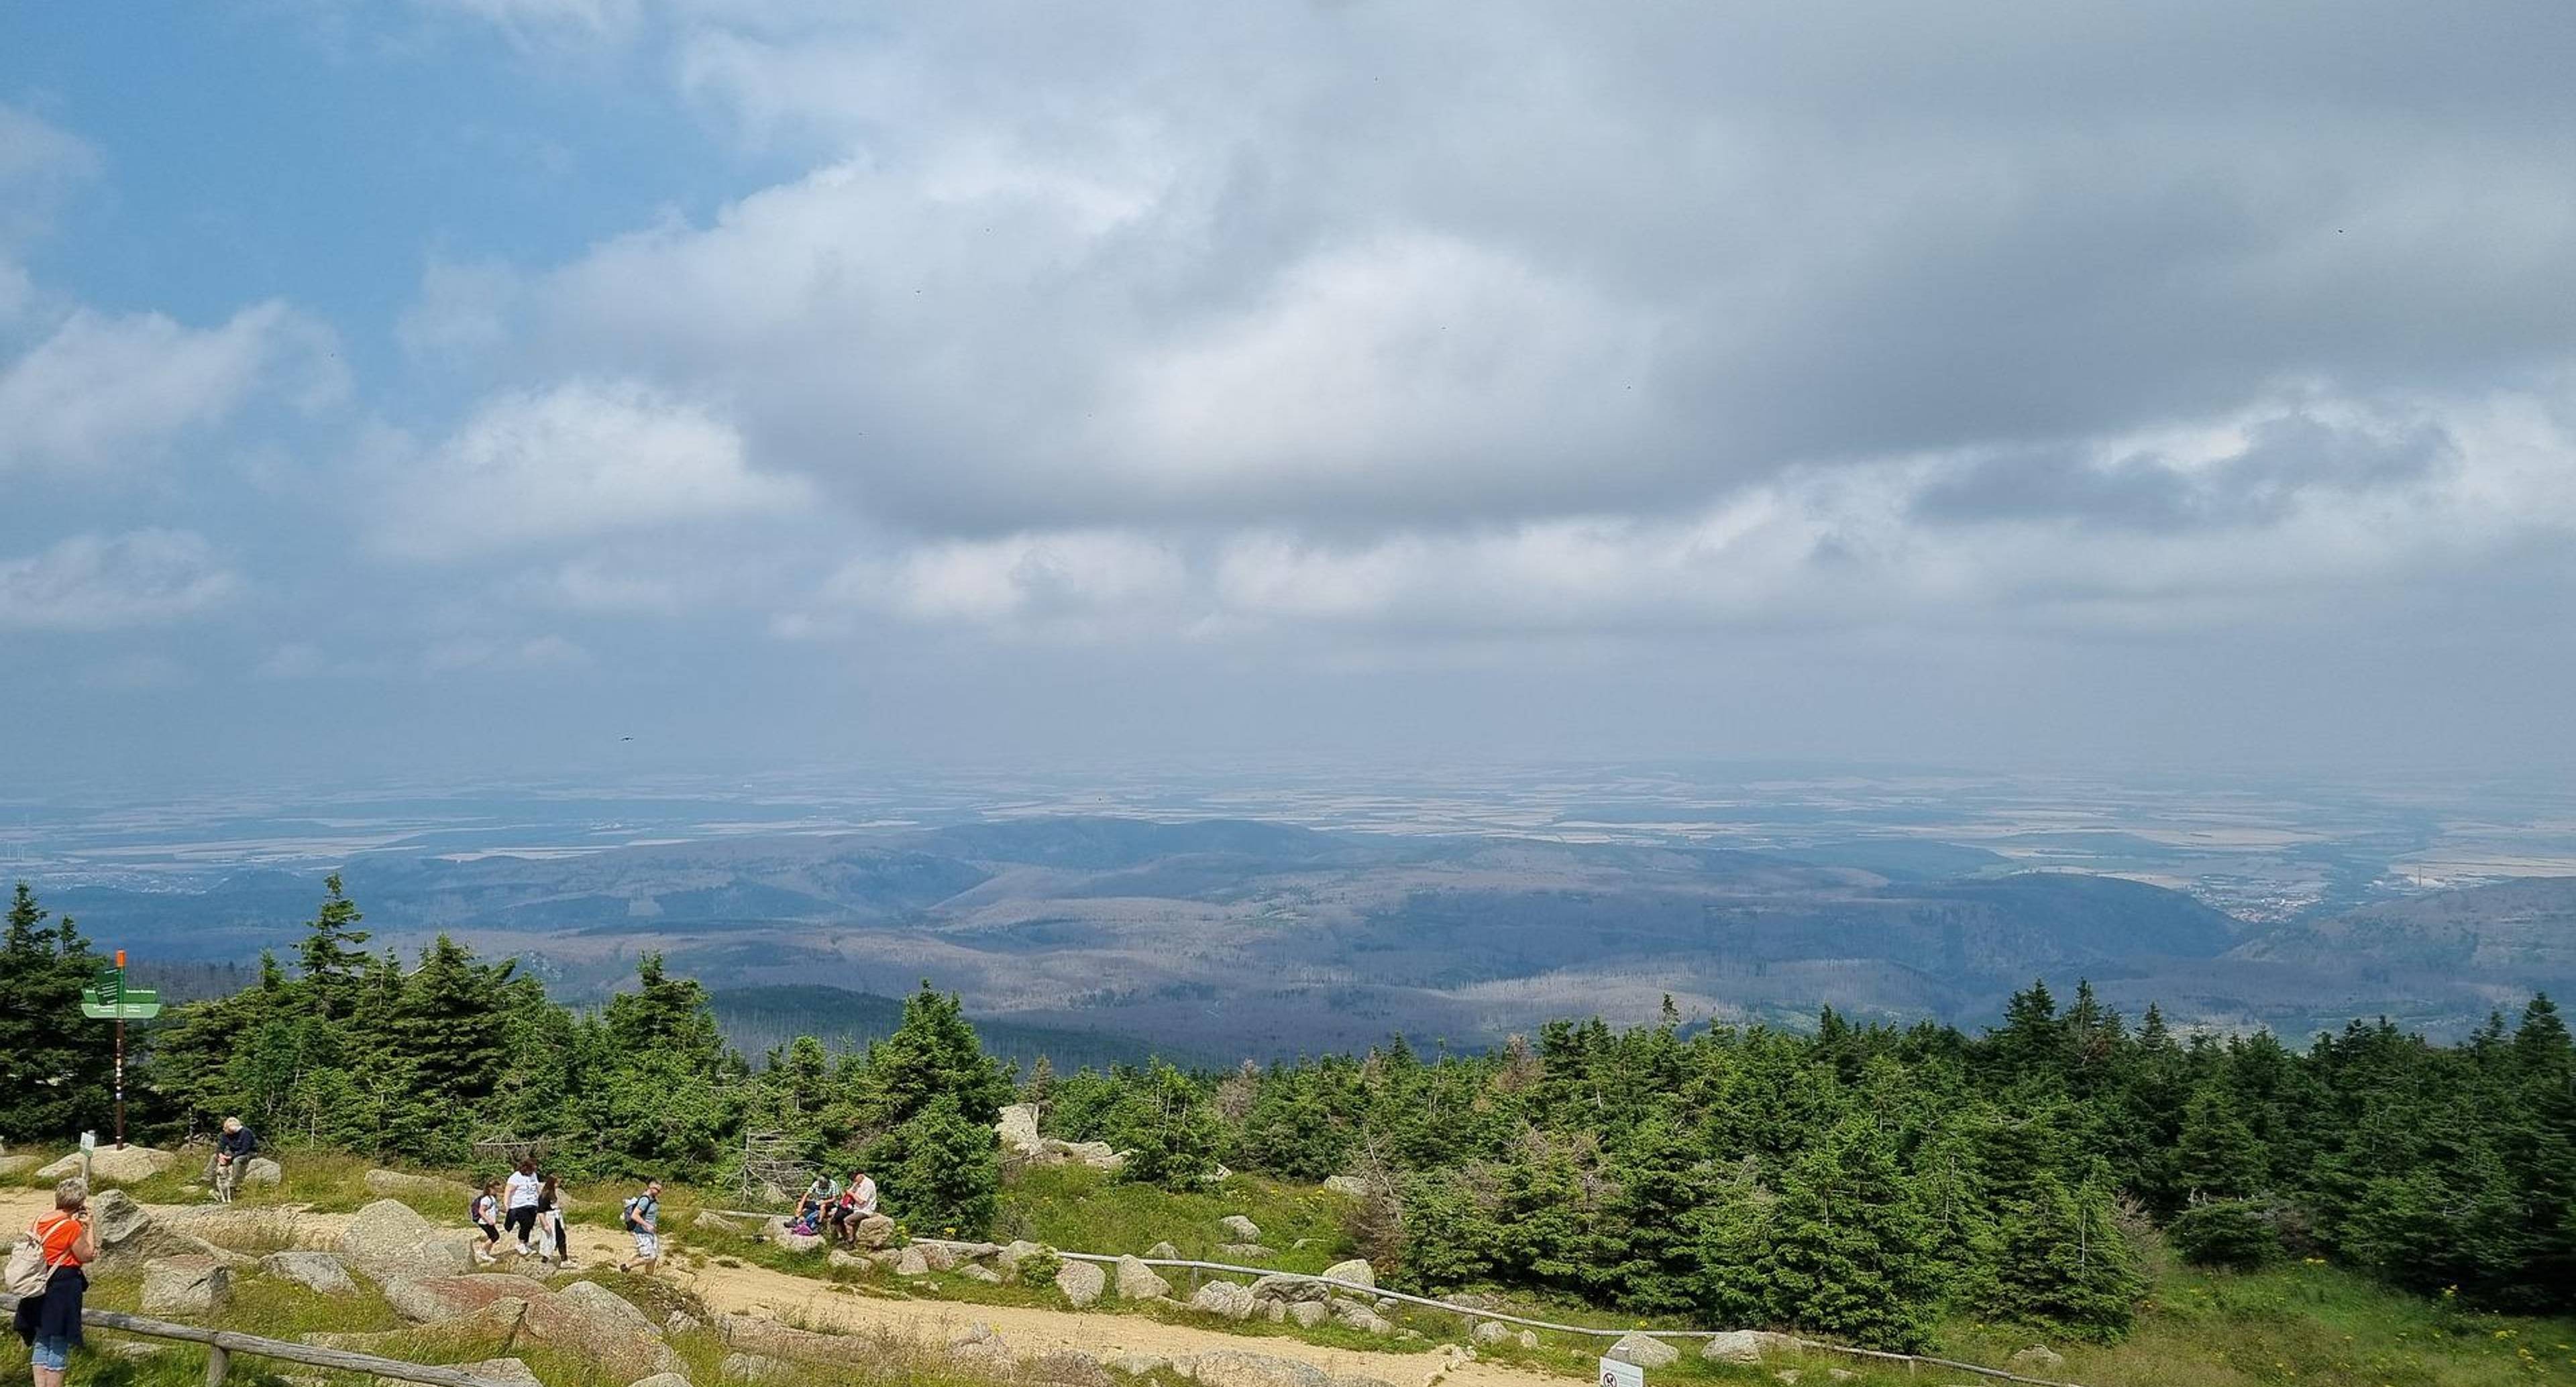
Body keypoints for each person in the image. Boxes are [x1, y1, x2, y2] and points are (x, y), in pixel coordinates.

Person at [13, 1181, 98, 1387]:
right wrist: (90, 1226)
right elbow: (86, 1255)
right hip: (62, 1286)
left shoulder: (40, 1220)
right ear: (80, 1203)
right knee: (59, 1342)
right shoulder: (71, 1227)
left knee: (41, 1339)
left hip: (38, 1282)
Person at [616, 1179, 662, 1277]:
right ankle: (626, 1267)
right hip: (642, 1232)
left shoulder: (653, 1199)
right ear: (651, 1187)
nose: (659, 1193)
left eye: (660, 1191)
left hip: (651, 1232)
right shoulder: (645, 1200)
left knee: (654, 1257)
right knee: (649, 1256)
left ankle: (650, 1277)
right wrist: (647, 1225)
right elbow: (635, 1215)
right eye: (657, 1190)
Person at [210, 1117, 257, 1203]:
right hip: (233, 1152)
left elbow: (245, 1149)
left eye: (226, 1128)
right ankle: (208, 1178)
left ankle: (234, 1184)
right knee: (214, 1157)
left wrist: (231, 1158)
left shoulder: (246, 1133)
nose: (225, 1130)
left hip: (248, 1153)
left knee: (237, 1161)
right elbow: (220, 1146)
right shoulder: (224, 1135)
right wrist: (220, 1155)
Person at [503, 1158, 543, 1256]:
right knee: (526, 1222)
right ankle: (520, 1243)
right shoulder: (516, 1177)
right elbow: (508, 1190)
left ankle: (526, 1243)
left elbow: (537, 1188)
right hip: (519, 1204)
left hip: (532, 1203)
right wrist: (506, 1204)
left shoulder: (534, 1175)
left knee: (530, 1224)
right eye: (533, 1167)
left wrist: (541, 1200)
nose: (535, 1169)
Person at [830, 1168, 877, 1244]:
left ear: (860, 1175)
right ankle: (841, 1237)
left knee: (847, 1220)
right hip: (855, 1207)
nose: (854, 1180)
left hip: (865, 1210)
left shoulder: (868, 1184)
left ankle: (851, 1240)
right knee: (836, 1217)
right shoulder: (857, 1183)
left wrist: (851, 1194)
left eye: (855, 1178)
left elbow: (861, 1201)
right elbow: (849, 1192)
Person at [535, 1174, 572, 1267]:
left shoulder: (553, 1193)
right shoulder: (545, 1195)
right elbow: (540, 1212)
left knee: (561, 1238)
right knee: (550, 1239)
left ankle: (562, 1259)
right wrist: (545, 1225)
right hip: (550, 1219)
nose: (558, 1184)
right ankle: (550, 1259)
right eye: (557, 1183)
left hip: (556, 1217)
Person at [469, 1180, 504, 1265]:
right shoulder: (486, 1199)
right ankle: (482, 1251)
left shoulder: (492, 1198)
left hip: (488, 1222)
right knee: (495, 1236)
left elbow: (495, 1209)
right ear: (490, 1189)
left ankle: (486, 1254)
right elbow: (481, 1211)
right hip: (485, 1222)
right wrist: (488, 1220)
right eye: (495, 1189)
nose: (497, 1191)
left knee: (492, 1237)